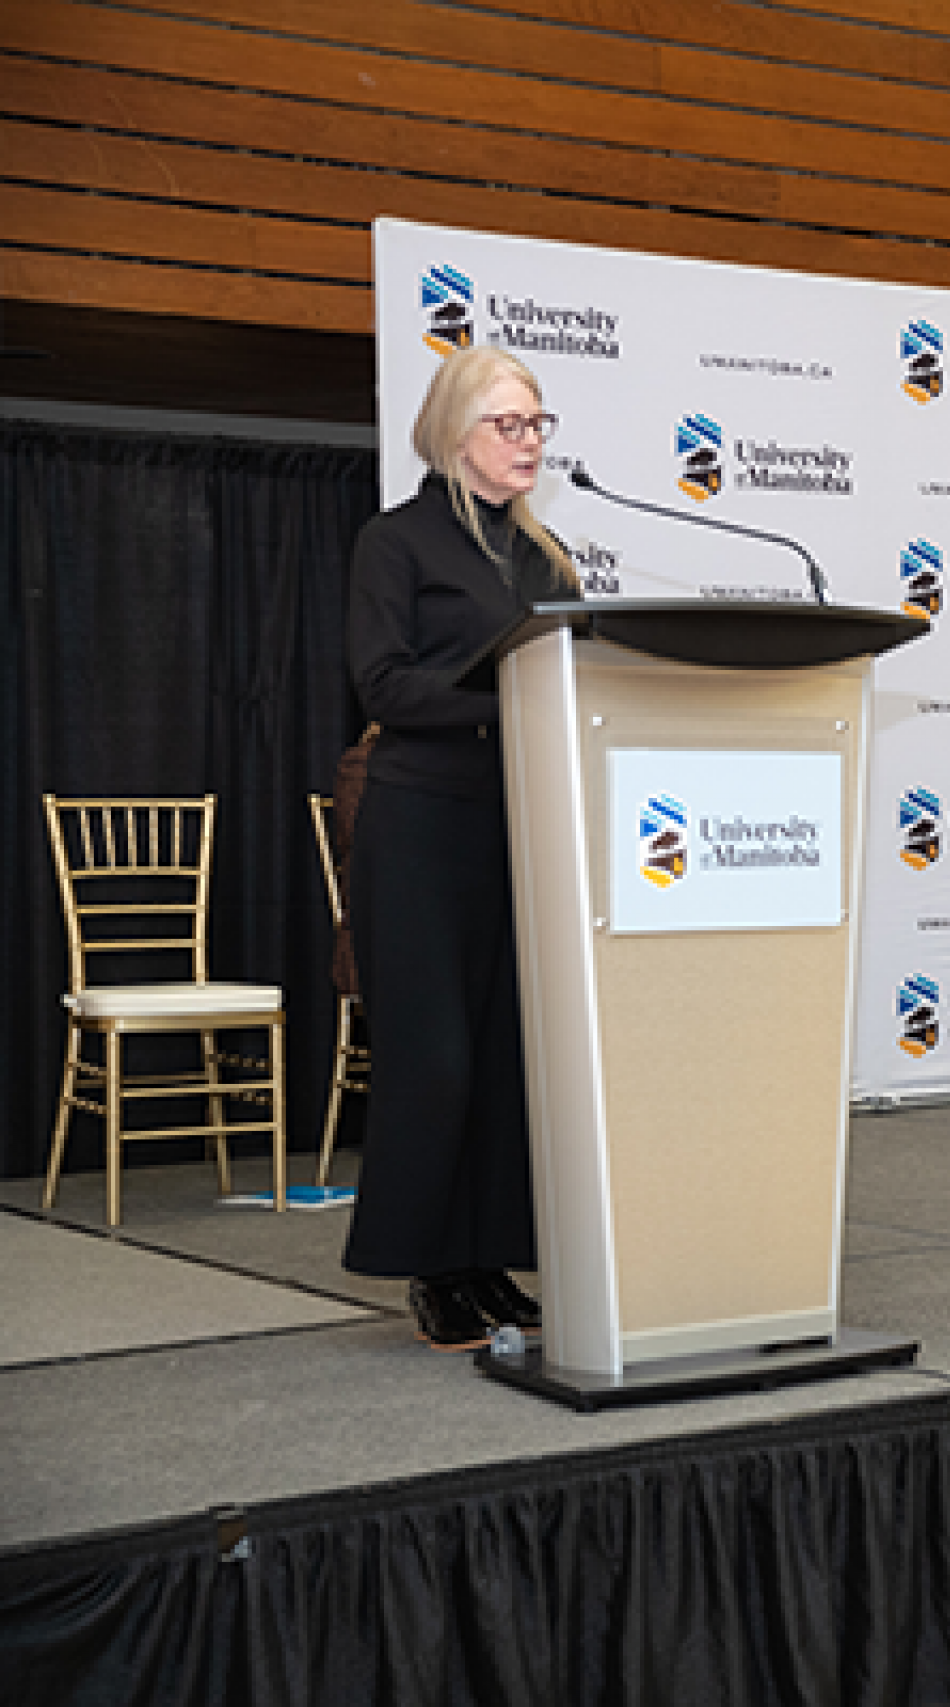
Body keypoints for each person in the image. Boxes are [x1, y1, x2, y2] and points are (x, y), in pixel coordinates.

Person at [342, 345, 581, 1347]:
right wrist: (509, 700)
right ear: (454, 432)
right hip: (419, 828)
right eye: (509, 424)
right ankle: (429, 1267)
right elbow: (383, 685)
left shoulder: (544, 554)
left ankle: (486, 1257)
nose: (528, 441)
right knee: (434, 1058)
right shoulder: (396, 543)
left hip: (520, 826)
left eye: (537, 424)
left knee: (503, 1058)